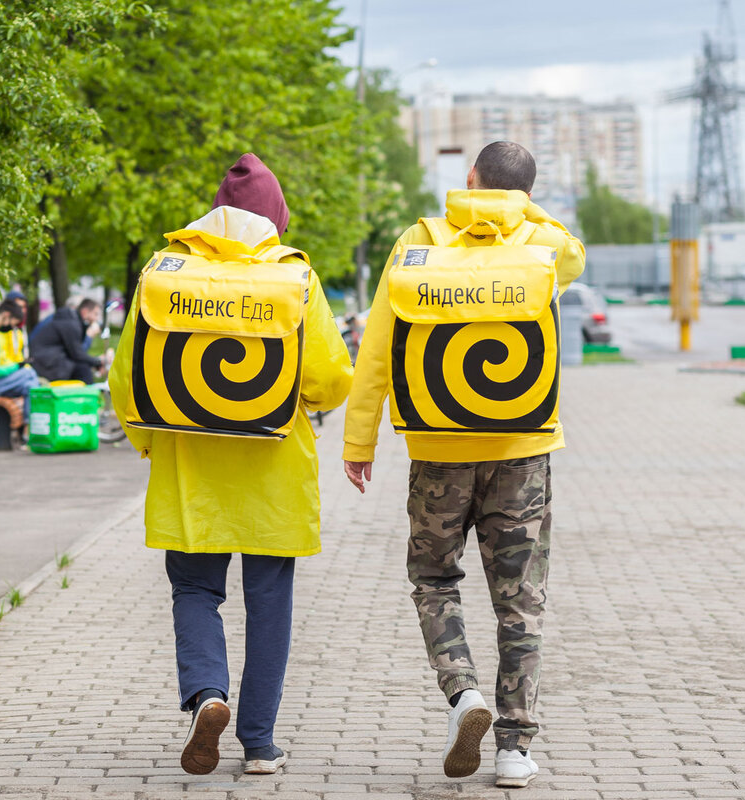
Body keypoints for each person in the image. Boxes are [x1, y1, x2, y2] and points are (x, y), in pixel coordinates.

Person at [342, 141, 585, 788]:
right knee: (520, 602)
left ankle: (462, 693)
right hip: (522, 451)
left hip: (437, 449)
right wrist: (524, 212)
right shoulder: (540, 244)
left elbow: (378, 350)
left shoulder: (419, 242)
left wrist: (358, 441)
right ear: (526, 193)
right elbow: (576, 253)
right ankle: (514, 747)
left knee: (433, 579)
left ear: (468, 178)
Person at [109, 153, 352, 776]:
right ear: (274, 219)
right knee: (269, 605)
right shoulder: (294, 279)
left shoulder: (165, 276)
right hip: (275, 471)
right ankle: (260, 744)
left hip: (192, 472)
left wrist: (147, 441)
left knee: (193, 589)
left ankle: (207, 694)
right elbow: (328, 379)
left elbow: (128, 381)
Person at [0, 299, 40, 416]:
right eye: (13, 323)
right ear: (6, 314)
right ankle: (30, 425)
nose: (11, 327)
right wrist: (16, 366)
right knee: (29, 373)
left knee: (29, 385)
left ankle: (27, 426)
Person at [31, 297, 106, 384]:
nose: (97, 319)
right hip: (46, 365)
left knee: (81, 366)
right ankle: (89, 394)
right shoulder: (72, 324)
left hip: (44, 361)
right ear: (85, 312)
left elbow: (76, 352)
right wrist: (98, 361)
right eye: (95, 314)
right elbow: (77, 354)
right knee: (82, 368)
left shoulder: (69, 320)